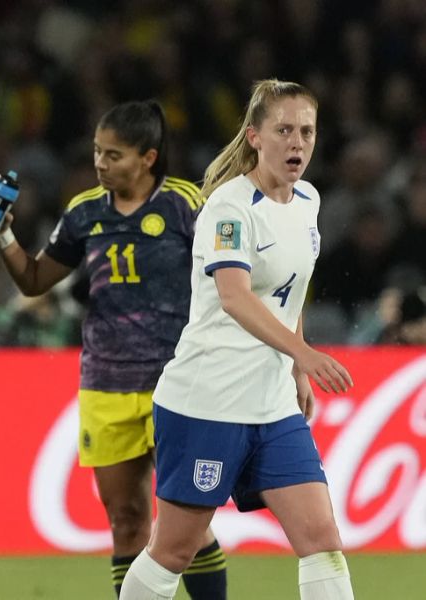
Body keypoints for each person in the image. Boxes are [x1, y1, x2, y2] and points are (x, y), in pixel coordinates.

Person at [0, 101, 227, 598]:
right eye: (96, 152)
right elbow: (35, 279)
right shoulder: (85, 211)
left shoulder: (186, 204)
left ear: (148, 158)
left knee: (185, 525)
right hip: (105, 384)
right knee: (126, 520)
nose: (100, 164)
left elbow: (230, 278)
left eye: (114, 155)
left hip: (177, 382)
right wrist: (2, 236)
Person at [119, 80, 355, 600]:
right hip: (208, 402)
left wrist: (294, 367)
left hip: (272, 408)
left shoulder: (308, 201)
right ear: (255, 137)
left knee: (322, 540)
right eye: (284, 130)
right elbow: (236, 297)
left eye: (307, 131)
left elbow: (287, 293)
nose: (297, 142)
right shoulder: (229, 209)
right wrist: (305, 355)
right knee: (173, 551)